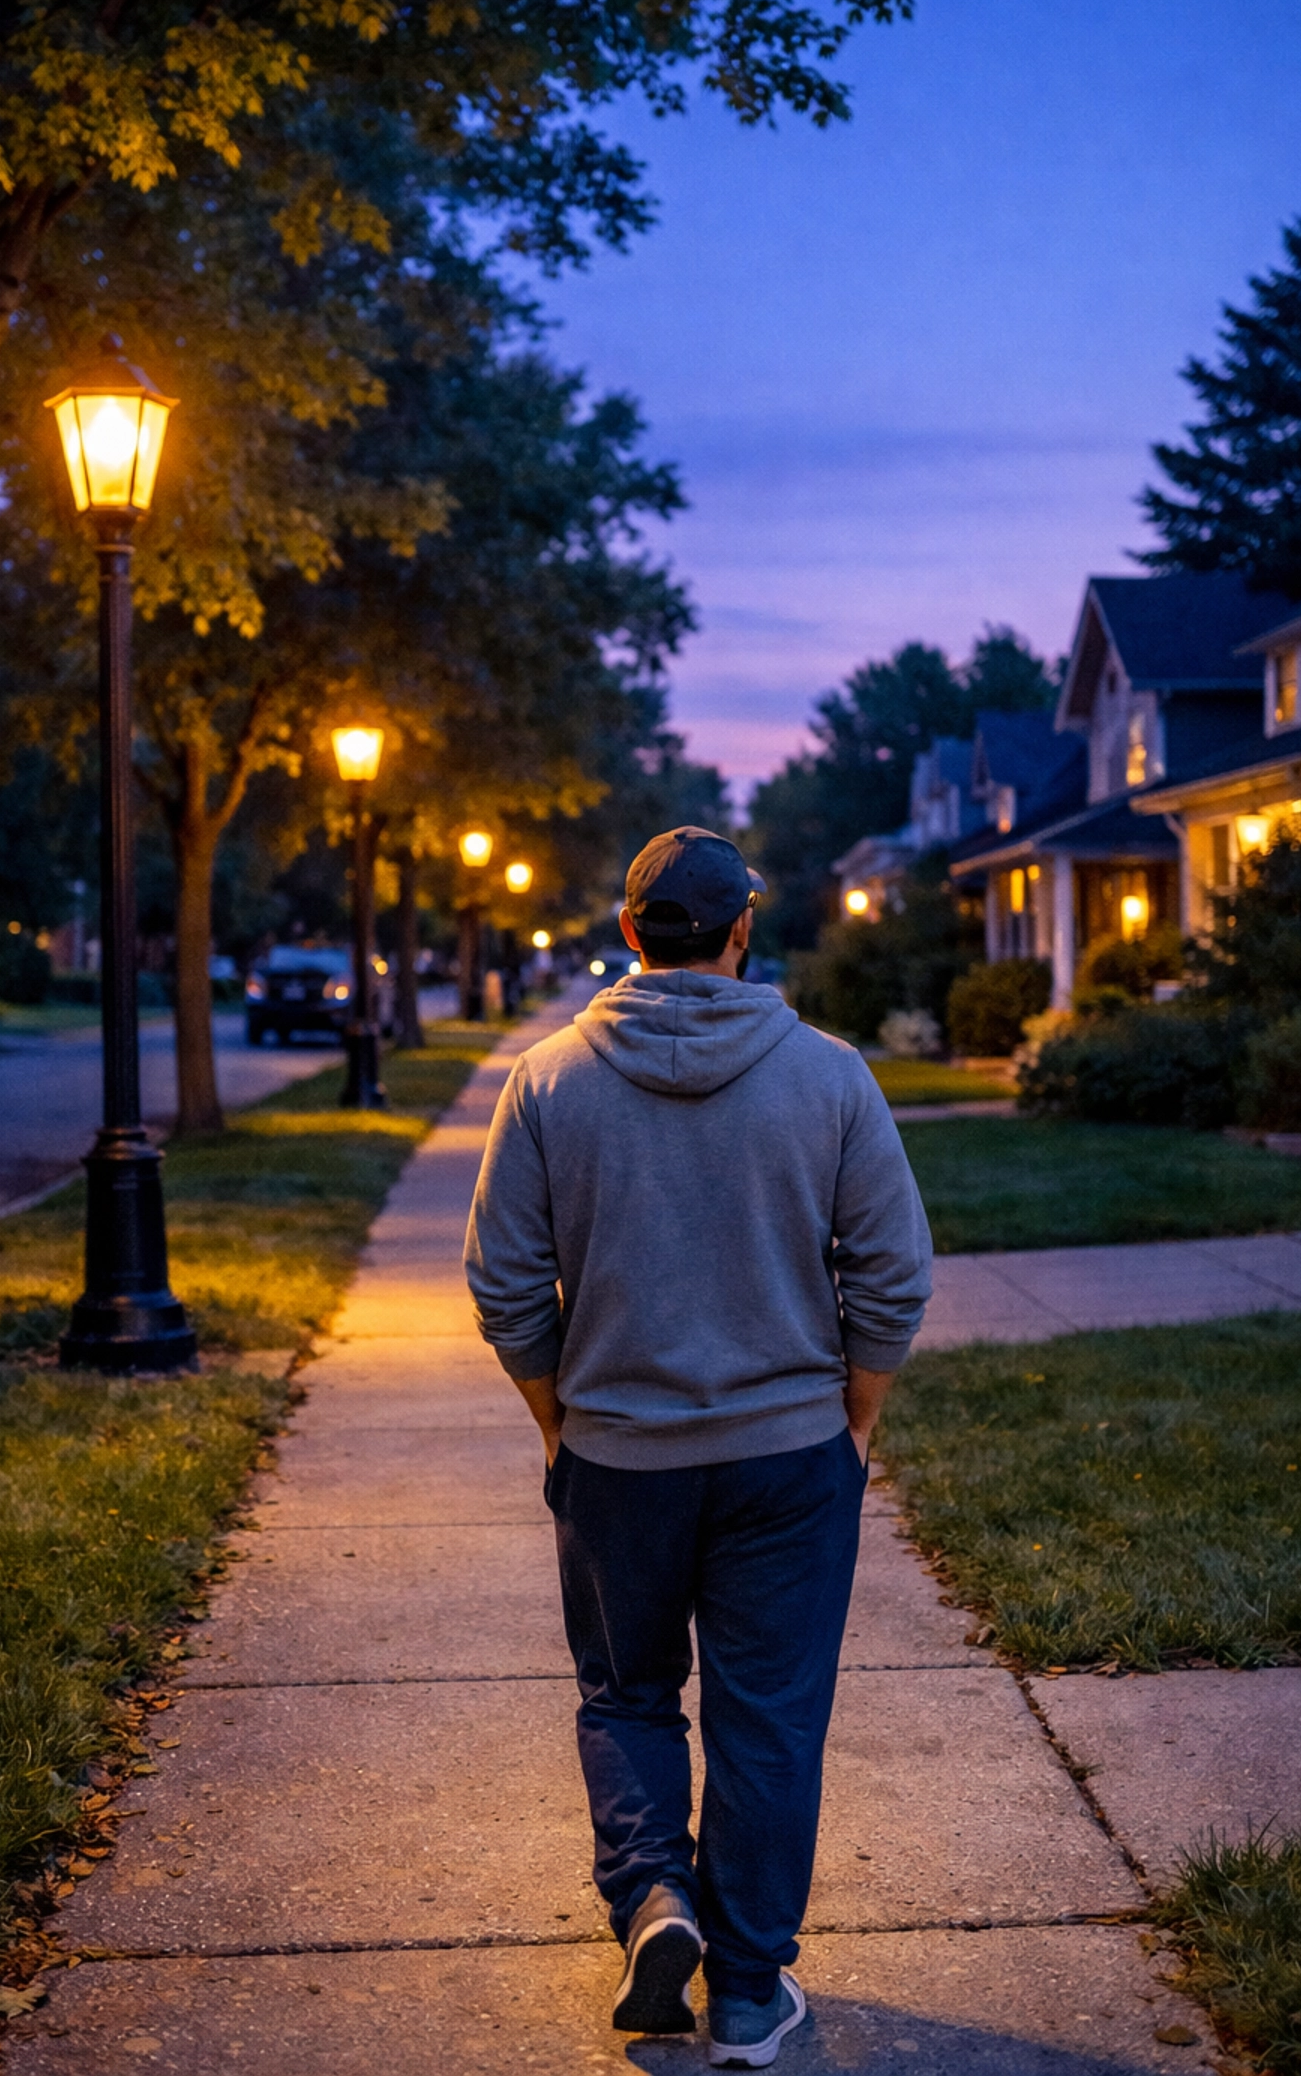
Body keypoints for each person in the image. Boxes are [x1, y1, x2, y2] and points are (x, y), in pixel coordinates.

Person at [464, 827, 933, 2068]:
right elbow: (891, 1271)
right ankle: (744, 1992)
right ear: (740, 935)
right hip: (789, 1455)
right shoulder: (829, 1077)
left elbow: (504, 1280)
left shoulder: (549, 1080)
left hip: (619, 1460)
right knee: (769, 1713)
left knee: (627, 1693)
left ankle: (653, 1900)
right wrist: (859, 1412)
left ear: (630, 934)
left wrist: (558, 1419)